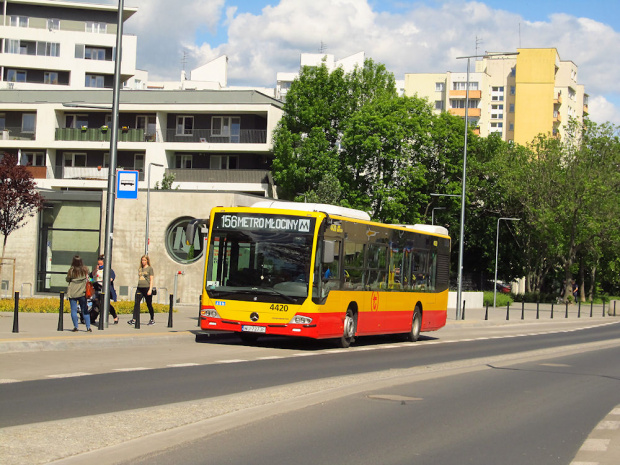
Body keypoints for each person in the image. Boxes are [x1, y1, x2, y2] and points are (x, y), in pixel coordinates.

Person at [90, 255, 119, 324]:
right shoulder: (96, 270)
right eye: (98, 264)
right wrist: (95, 271)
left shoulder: (108, 270)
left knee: (106, 304)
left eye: (101, 263)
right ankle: (93, 318)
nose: (99, 265)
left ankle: (115, 316)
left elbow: (112, 278)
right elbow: (90, 278)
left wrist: (106, 281)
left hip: (105, 289)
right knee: (97, 304)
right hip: (97, 289)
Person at [66, 255, 91, 332]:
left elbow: (67, 279)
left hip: (72, 292)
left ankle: (76, 327)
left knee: (73, 310)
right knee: (85, 310)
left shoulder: (71, 271)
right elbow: (89, 279)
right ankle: (88, 327)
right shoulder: (85, 270)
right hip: (82, 292)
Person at [128, 255, 155, 326]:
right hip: (139, 288)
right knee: (136, 303)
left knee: (149, 304)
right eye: (142, 260)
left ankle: (152, 319)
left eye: (145, 260)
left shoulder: (150, 269)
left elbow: (151, 279)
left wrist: (150, 289)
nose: (143, 261)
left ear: (147, 261)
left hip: (147, 288)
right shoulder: (140, 269)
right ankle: (134, 319)